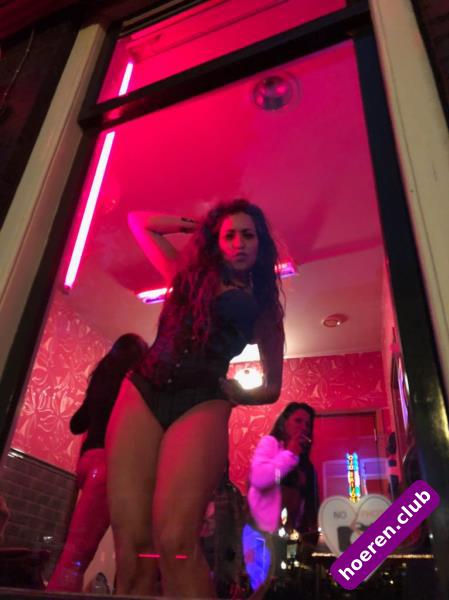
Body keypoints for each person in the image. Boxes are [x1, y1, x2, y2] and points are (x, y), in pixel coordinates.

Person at [105, 199, 285, 597]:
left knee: (175, 542)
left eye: (248, 235)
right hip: (143, 389)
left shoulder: (264, 308)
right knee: (131, 548)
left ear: (260, 243)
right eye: (229, 235)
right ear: (216, 241)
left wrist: (241, 394)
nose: (238, 243)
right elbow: (140, 221)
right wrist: (197, 224)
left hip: (202, 400)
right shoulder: (187, 275)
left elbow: (273, 387)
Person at [46, 333, 148, 592]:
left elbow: (76, 424)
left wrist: (96, 408)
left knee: (76, 549)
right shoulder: (133, 384)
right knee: (79, 556)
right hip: (108, 465)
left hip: (88, 462)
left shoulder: (101, 381)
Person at [244, 403, 319, 592]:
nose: (303, 427)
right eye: (298, 421)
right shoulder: (271, 443)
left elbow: (306, 502)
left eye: (308, 424)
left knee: (285, 587)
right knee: (261, 589)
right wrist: (290, 453)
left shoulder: (304, 462)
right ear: (284, 422)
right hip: (261, 534)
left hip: (288, 537)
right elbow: (260, 479)